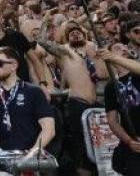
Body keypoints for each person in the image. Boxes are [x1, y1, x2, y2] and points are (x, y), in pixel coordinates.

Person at [36, 20, 106, 176]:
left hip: (95, 105)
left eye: (78, 31)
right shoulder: (65, 51)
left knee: (99, 147)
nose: (75, 33)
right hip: (77, 104)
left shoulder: (94, 52)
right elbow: (41, 41)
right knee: (81, 147)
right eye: (71, 33)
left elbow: (105, 74)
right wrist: (45, 23)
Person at [0, 46, 55, 156]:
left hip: (27, 159)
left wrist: (33, 152)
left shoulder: (34, 92)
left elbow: (49, 129)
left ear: (14, 65)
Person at [98, 43, 140, 174]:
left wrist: (114, 57)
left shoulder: (136, 73)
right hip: (134, 142)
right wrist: (129, 141)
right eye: (117, 48)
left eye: (125, 47)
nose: (124, 48)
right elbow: (112, 120)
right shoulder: (110, 87)